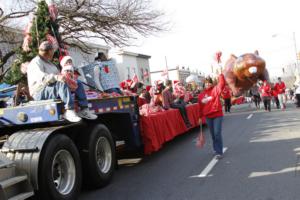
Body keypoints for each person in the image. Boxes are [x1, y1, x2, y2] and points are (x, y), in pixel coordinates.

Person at [27, 41, 97, 122]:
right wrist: (57, 77)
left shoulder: (49, 63)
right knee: (61, 83)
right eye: (53, 51)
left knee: (77, 83)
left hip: (52, 87)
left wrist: (69, 79)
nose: (53, 53)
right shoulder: (36, 62)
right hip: (39, 91)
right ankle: (69, 110)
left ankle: (84, 109)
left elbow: (59, 75)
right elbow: (42, 78)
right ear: (49, 51)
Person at [198, 73, 225, 159]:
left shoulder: (215, 90)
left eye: (209, 82)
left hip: (217, 114)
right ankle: (215, 148)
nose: (208, 84)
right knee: (213, 134)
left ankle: (219, 152)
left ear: (212, 83)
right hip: (208, 116)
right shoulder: (201, 95)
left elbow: (222, 83)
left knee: (217, 133)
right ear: (204, 84)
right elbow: (200, 107)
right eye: (206, 83)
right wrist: (199, 117)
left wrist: (220, 74)